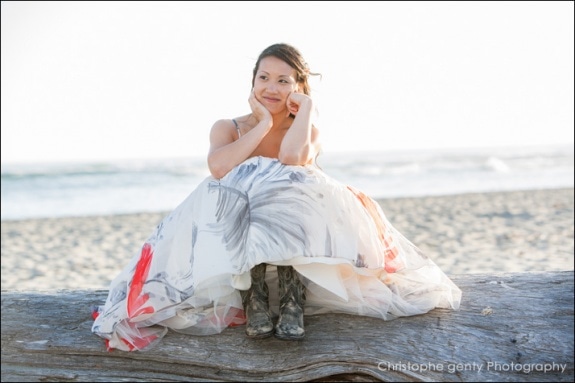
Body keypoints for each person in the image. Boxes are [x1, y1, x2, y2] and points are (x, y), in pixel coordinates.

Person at [92, 43, 462, 351]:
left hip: (296, 228)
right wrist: (264, 124)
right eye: (263, 78)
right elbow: (218, 169)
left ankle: (291, 300)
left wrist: (307, 111)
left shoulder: (308, 129)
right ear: (252, 82)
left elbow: (292, 160)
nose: (271, 87)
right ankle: (255, 298)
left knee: (286, 178)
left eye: (283, 81)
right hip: (235, 233)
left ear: (298, 87)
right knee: (250, 175)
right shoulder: (228, 126)